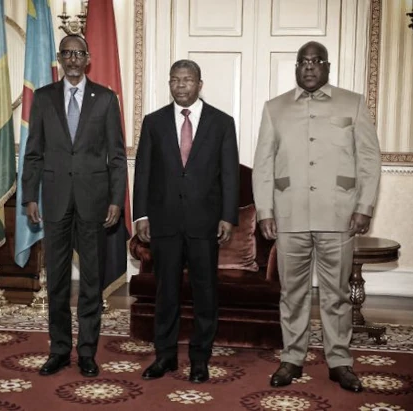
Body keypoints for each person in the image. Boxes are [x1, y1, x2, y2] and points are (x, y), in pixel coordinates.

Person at [252, 41, 381, 392]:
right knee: (291, 293)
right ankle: (292, 358)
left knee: (335, 294)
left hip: (338, 216)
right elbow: (263, 165)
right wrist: (265, 211)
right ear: (296, 68)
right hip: (289, 215)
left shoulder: (353, 103)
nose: (309, 66)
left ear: (327, 67)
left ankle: (339, 361)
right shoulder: (275, 108)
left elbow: (369, 160)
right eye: (303, 62)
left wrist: (364, 206)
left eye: (316, 61)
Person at [21, 34, 127, 377]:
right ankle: (59, 350)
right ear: (59, 57)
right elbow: (33, 153)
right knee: (57, 280)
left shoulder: (106, 99)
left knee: (92, 281)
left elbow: (117, 156)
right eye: (66, 53)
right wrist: (30, 196)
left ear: (88, 58)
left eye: (79, 53)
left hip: (94, 201)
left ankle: (87, 352)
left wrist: (116, 199)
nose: (72, 59)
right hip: (54, 199)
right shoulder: (43, 98)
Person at [133, 59, 239, 383]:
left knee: (205, 293)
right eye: (175, 80)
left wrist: (228, 216)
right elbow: (143, 171)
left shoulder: (222, 122)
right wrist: (141, 215)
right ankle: (164, 356)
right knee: (166, 293)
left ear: (199, 84)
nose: (181, 85)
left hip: (204, 223)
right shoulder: (153, 122)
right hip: (164, 222)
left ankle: (200, 358)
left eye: (187, 80)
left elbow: (229, 174)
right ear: (169, 84)